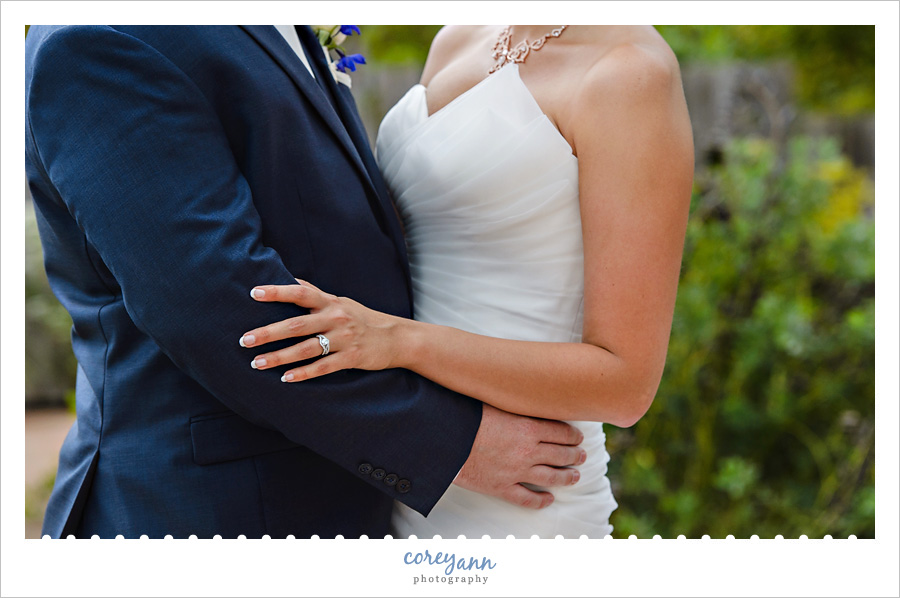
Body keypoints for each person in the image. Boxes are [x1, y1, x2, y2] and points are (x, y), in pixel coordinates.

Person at [24, 25, 586, 539]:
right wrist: (446, 443)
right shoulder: (106, 35)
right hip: (212, 511)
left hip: (341, 490)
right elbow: (217, 310)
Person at [242, 25, 694, 538]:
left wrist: (398, 341)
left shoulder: (630, 73)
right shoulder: (457, 37)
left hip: (523, 493)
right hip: (401, 471)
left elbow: (625, 383)